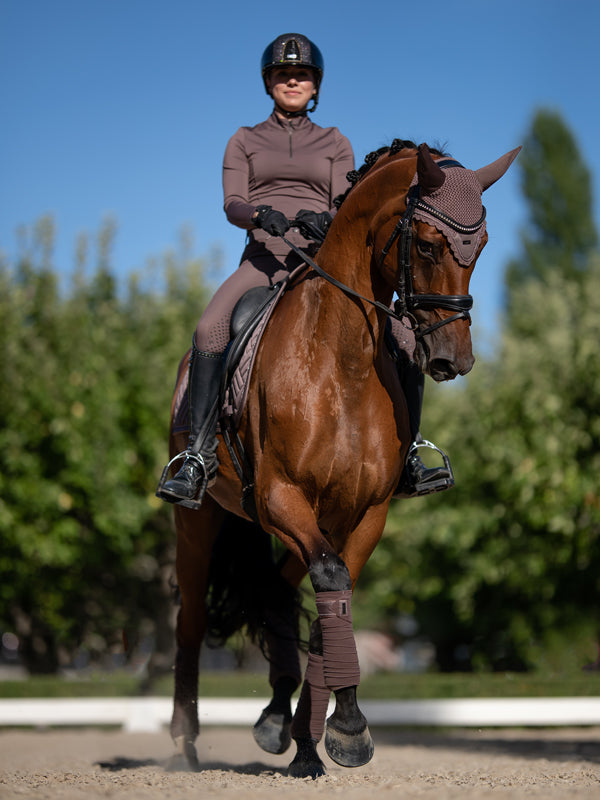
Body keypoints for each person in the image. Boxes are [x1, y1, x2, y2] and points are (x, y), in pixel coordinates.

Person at [157, 32, 452, 509]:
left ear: (315, 86)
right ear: (269, 83)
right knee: (210, 328)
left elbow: (346, 203)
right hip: (264, 259)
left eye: (301, 75)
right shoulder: (245, 140)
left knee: (400, 333)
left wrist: (327, 219)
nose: (292, 81)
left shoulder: (335, 142)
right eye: (282, 74)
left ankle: (414, 449)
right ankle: (196, 455)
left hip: (321, 258)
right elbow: (232, 201)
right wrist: (259, 215)